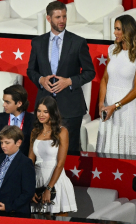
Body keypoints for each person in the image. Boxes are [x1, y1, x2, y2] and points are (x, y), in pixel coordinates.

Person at [27, 1, 95, 153]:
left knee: (69, 152)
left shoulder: (78, 42)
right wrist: (41, 80)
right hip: (45, 108)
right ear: (48, 19)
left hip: (70, 108)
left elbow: (90, 72)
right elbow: (31, 70)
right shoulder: (37, 43)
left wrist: (69, 81)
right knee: (44, 151)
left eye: (64, 16)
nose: (62, 21)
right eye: (58, 17)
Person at [96, 15, 136, 156]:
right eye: (115, 29)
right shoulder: (112, 50)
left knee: (127, 151)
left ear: (128, 30)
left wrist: (115, 106)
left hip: (126, 110)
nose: (115, 33)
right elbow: (105, 79)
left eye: (118, 29)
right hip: (108, 108)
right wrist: (101, 104)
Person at [29, 96, 77, 215]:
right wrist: (29, 186)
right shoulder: (35, 131)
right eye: (39, 111)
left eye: (45, 112)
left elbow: (60, 163)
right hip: (37, 179)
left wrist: (49, 188)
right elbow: (30, 160)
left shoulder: (62, 132)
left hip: (56, 181)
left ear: (52, 112)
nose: (41, 115)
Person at [0, 126, 35, 215]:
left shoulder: (25, 163)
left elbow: (28, 193)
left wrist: (9, 207)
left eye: (7, 143)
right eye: (1, 142)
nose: (3, 146)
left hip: (16, 214)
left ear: (18, 143)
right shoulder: (0, 158)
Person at [0, 85, 35, 164]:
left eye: (7, 102)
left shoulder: (33, 121)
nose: (4, 105)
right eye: (4, 101)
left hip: (23, 167)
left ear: (19, 103)